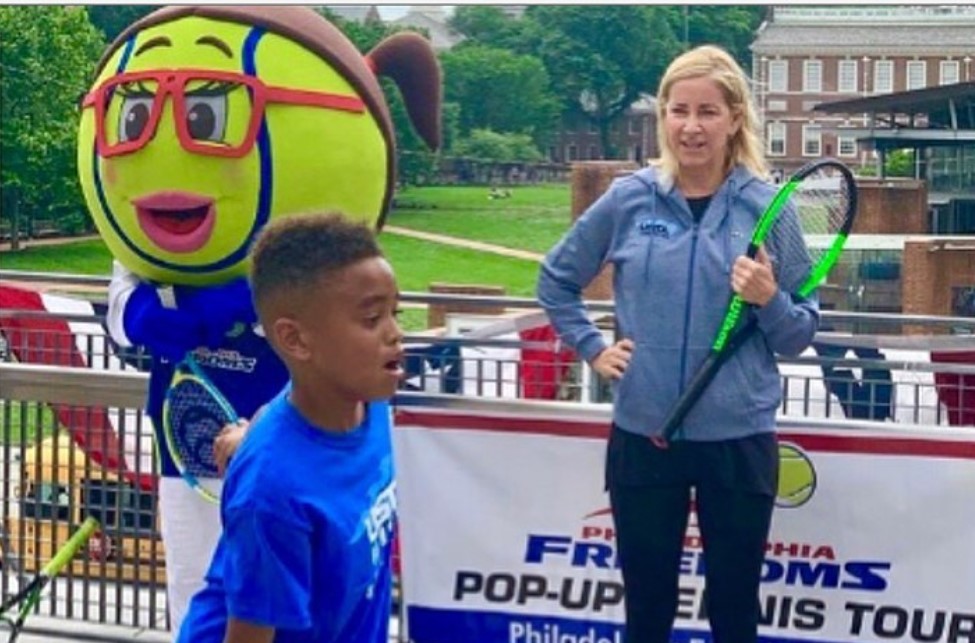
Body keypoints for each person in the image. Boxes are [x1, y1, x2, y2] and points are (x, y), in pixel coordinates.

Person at [536, 45, 819, 643]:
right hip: (646, 433)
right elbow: (555, 279)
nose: (692, 126)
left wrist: (769, 297)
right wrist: (592, 347)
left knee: (735, 610)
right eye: (679, 110)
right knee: (647, 608)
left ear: (734, 118)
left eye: (708, 111)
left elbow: (799, 335)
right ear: (662, 116)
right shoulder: (629, 198)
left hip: (739, 439)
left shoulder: (768, 210)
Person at [178, 212, 403, 643]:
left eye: (396, 312)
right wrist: (262, 449)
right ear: (296, 340)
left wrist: (253, 435)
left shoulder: (369, 404)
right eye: (372, 319)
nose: (395, 335)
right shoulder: (272, 493)